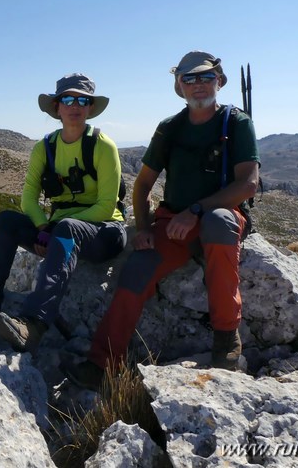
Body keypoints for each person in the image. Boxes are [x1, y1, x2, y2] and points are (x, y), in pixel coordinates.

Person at [64, 51, 260, 390]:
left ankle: (227, 338)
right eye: (190, 78)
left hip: (217, 217)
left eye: (206, 77)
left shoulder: (236, 123)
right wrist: (143, 229)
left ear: (220, 81)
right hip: (173, 223)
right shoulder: (170, 128)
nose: (198, 85)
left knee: (218, 222)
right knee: (138, 268)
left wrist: (195, 210)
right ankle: (102, 362)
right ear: (178, 85)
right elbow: (141, 186)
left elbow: (247, 184)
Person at [0, 73, 127, 353]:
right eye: (68, 99)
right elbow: (28, 198)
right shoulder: (45, 148)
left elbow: (105, 205)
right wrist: (43, 227)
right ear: (57, 107)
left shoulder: (103, 146)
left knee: (67, 228)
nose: (75, 105)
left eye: (82, 100)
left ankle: (34, 325)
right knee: (5, 221)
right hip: (57, 230)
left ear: (90, 107)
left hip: (104, 231)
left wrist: (55, 228)